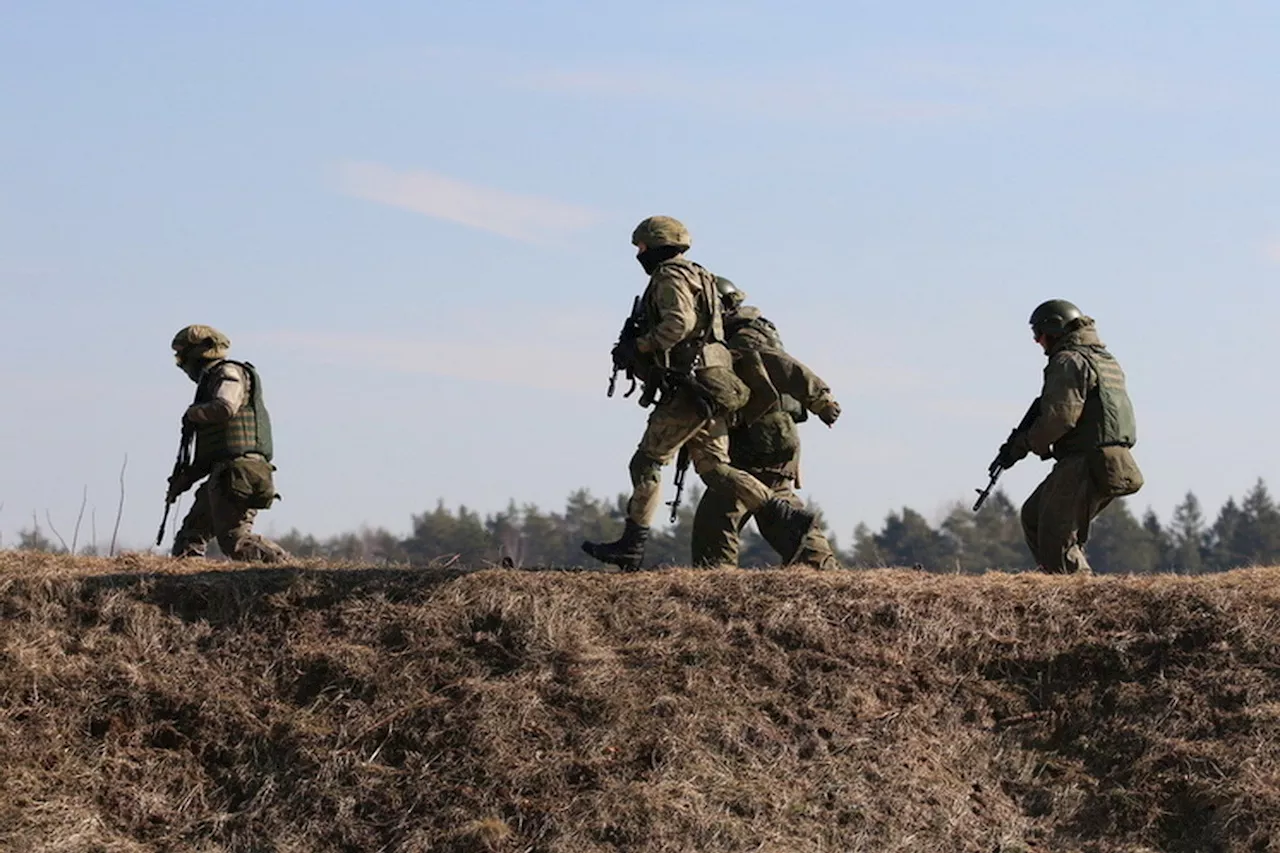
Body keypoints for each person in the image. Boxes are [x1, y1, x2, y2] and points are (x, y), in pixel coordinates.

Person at [582, 217, 820, 571]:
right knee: (715, 470)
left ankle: (632, 546)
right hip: (717, 385)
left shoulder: (669, 276)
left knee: (646, 462)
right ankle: (783, 514)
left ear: (656, 245)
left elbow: (679, 323)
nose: (639, 254)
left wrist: (641, 346)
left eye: (641, 247)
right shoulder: (702, 276)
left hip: (691, 387)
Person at [691, 277, 841, 569]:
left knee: (722, 512)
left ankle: (715, 581)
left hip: (763, 439)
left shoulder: (744, 337)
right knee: (775, 504)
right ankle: (822, 569)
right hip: (768, 437)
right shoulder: (734, 336)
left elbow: (783, 366)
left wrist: (821, 400)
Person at [996, 300, 1143, 574]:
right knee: (1034, 515)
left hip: (1088, 459)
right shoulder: (1101, 359)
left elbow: (1060, 418)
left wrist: (1024, 444)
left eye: (1039, 334)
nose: (1037, 342)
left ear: (1053, 330)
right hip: (1107, 458)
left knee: (1056, 534)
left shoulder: (1068, 360)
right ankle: (1056, 582)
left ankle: (1077, 597)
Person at [166, 325, 289, 562]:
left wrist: (194, 414)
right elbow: (212, 452)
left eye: (182, 358)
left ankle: (286, 569)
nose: (181, 366)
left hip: (238, 474)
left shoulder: (228, 373)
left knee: (236, 540)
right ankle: (191, 588)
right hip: (224, 474)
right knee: (189, 538)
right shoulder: (209, 383)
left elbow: (225, 407)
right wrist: (185, 480)